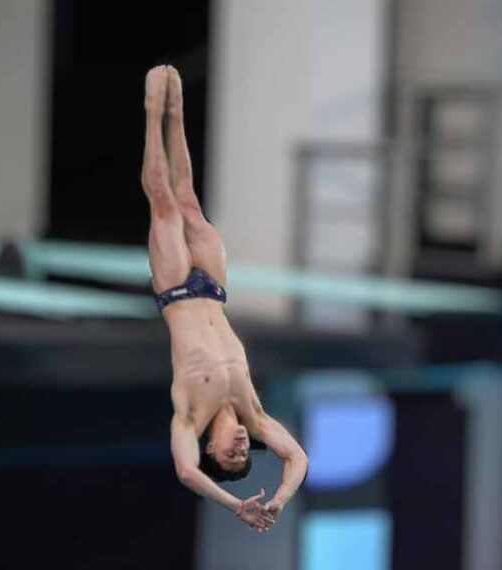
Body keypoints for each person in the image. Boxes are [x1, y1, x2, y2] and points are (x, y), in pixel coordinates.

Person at [142, 65, 307, 529]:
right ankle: (177, 113)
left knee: (162, 199)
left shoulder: (189, 419)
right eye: (243, 457)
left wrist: (234, 504)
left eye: (228, 458)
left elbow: (185, 471)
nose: (238, 449)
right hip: (213, 289)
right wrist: (279, 499)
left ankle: (154, 112)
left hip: (175, 290)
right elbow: (297, 458)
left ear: (210, 448)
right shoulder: (255, 418)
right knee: (188, 199)